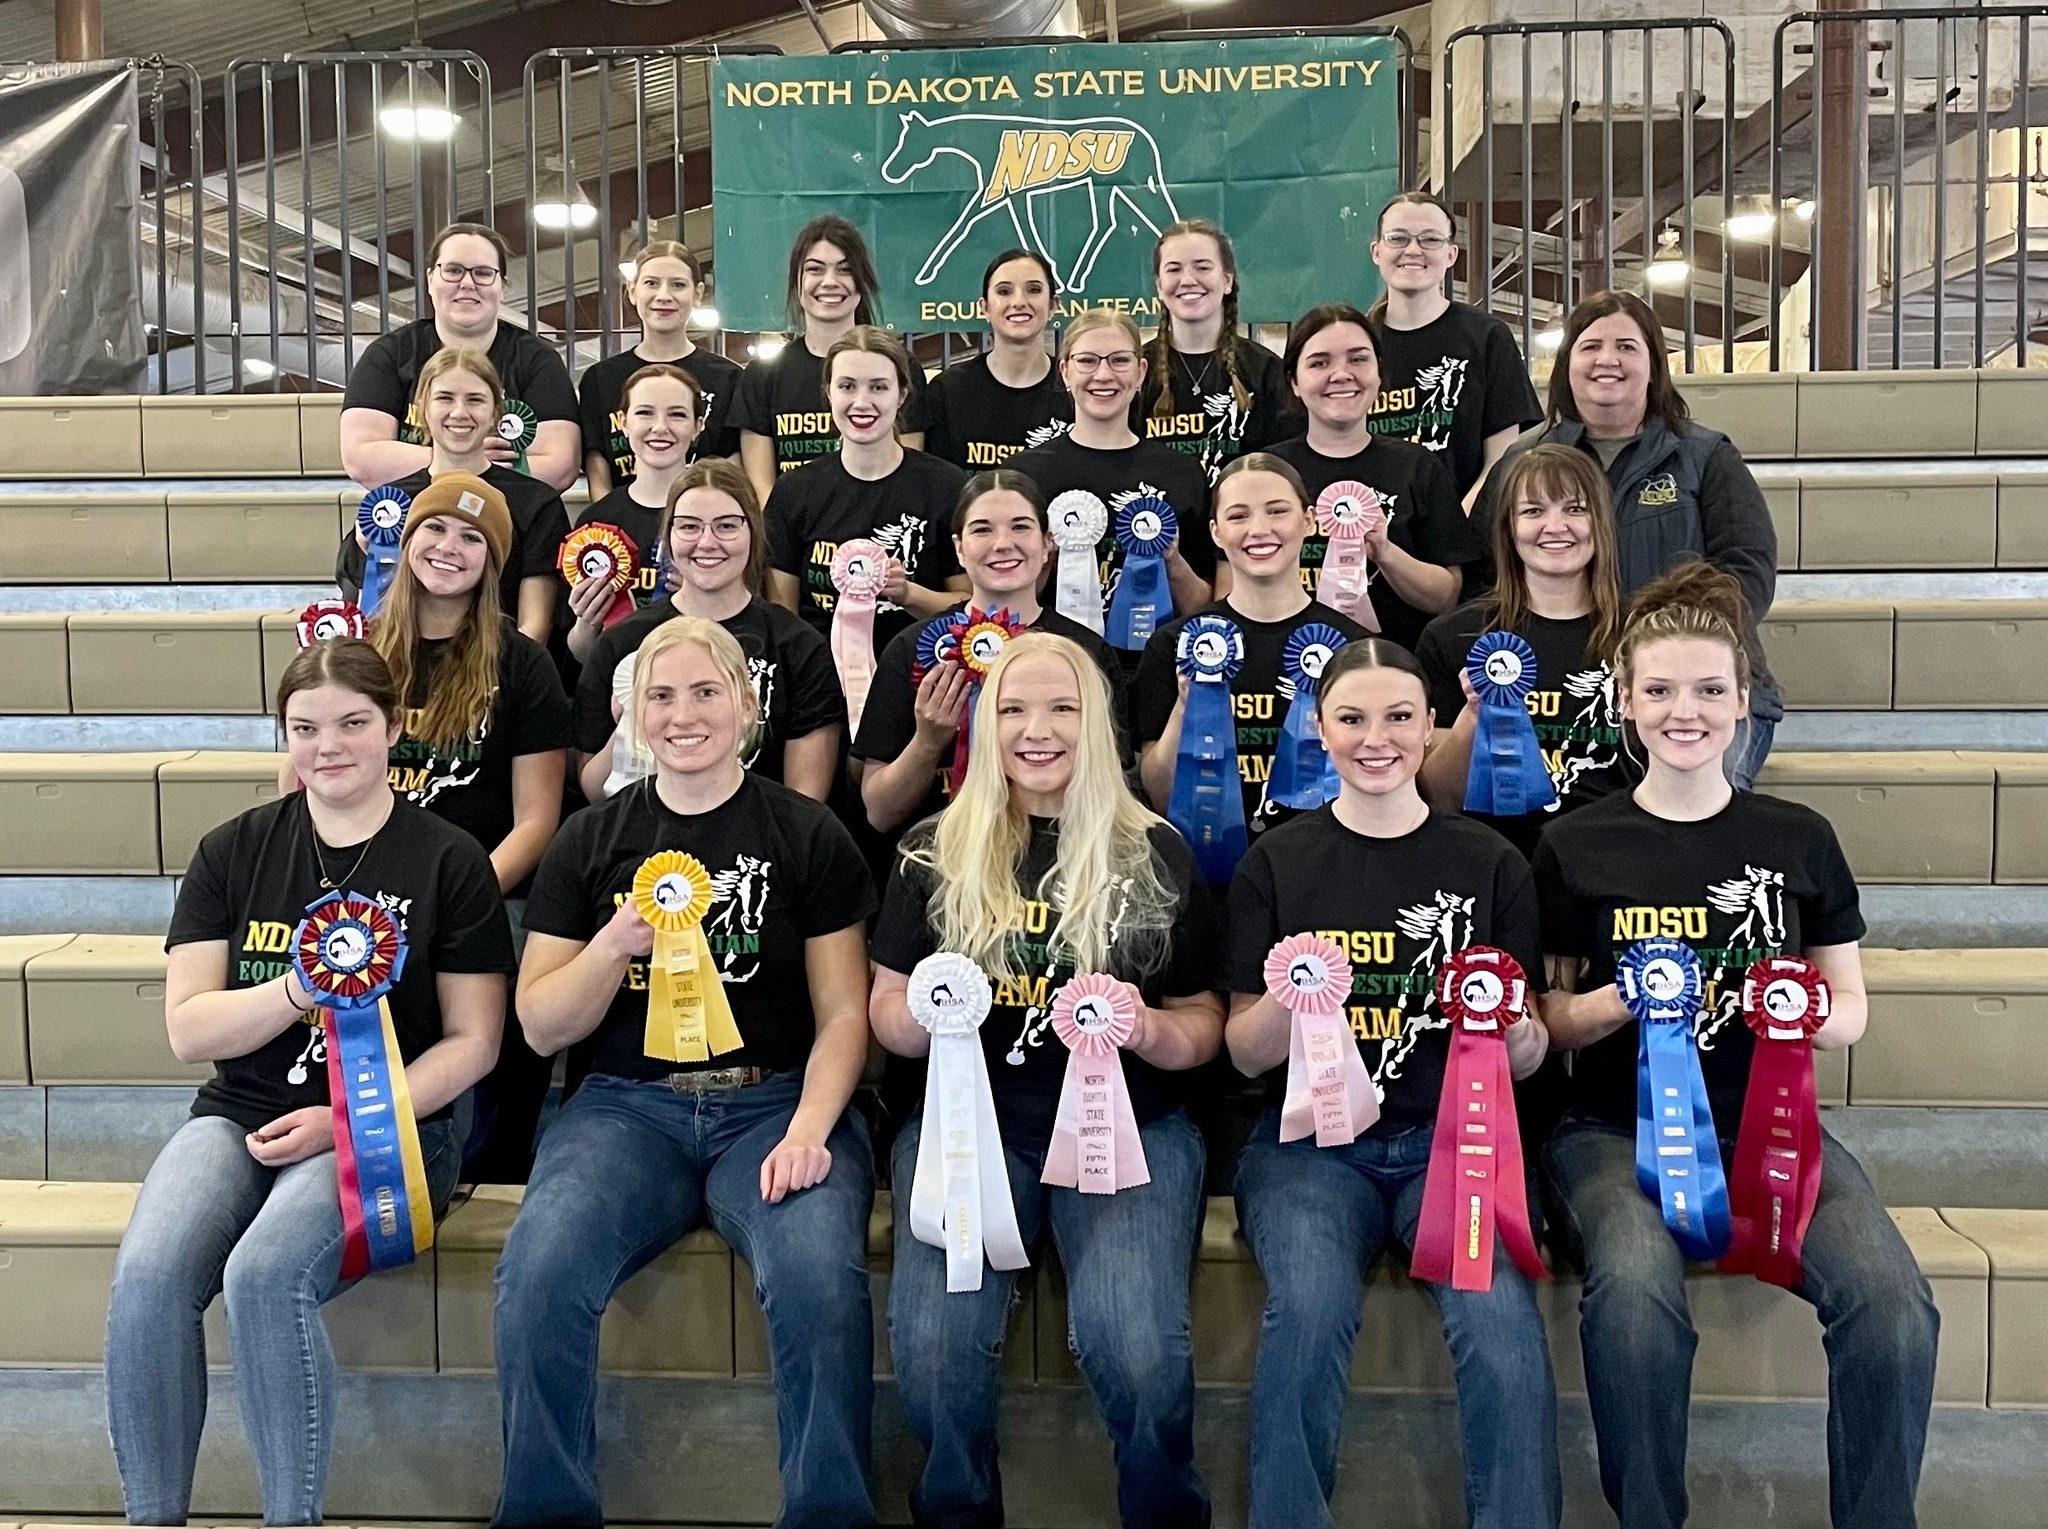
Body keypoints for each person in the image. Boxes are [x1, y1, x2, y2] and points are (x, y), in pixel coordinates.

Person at [1534, 561, 1937, 1529]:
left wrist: (1791, 1009)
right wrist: (1621, 1001)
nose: (1687, 710)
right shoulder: (1571, 843)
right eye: (1661, 689)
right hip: (1605, 1131)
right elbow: (1544, 1021)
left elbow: (1848, 1007)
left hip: (1774, 1130)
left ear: (1743, 698)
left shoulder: (1797, 835)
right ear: (1624, 701)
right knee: (1631, 1299)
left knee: (1892, 1305)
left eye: (1709, 688)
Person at [105, 638, 512, 1525]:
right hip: (239, 1113)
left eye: (353, 723)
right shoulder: (231, 850)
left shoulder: (449, 860)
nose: (329, 744)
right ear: (284, 736)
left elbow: (475, 1044)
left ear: (394, 728)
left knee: (262, 1274)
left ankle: (294, 1519)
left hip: (392, 1123)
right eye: (306, 727)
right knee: (146, 1272)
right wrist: (296, 988)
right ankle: (151, 1517)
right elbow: (188, 1028)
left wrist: (346, 1119)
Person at [493, 616, 880, 1529]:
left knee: (822, 1279)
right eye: (660, 696)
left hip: (777, 1101)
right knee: (538, 1273)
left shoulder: (807, 832)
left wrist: (809, 1131)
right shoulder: (588, 842)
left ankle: (830, 1514)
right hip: (626, 1110)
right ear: (629, 714)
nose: (683, 713)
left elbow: (846, 1015)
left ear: (747, 707)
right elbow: (541, 1023)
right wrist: (610, 946)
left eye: (706, 692)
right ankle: (546, 1513)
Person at [870, 631, 1224, 1529]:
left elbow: (1205, 1024)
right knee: (936, 1349)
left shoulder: (1159, 854)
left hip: (1131, 1128)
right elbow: (884, 1016)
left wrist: (1149, 1029)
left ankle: (1161, 1512)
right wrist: (923, 1013)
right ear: (986, 725)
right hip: (966, 1133)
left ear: (1097, 723)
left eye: (1062, 708)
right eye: (1015, 709)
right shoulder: (928, 851)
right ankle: (957, 1512)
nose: (1038, 730)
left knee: (1138, 1347)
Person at [1222, 636, 1559, 1529]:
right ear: (1319, 729)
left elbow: (1526, 1055)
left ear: (1430, 726)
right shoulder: (1275, 862)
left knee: (1502, 1325)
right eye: (1353, 718)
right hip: (1306, 1153)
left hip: (1455, 1146)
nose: (1378, 738)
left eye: (1400, 716)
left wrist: (1520, 1031)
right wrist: (1295, 993)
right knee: (1309, 1307)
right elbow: (1243, 1052)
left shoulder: (1492, 864)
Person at [1473, 289, 1781, 788]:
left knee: (1690, 799)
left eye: (1627, 347)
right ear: (1566, 364)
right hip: (1560, 688)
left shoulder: (1705, 458)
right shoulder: (1523, 460)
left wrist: (1669, 651)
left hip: (1688, 688)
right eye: (1590, 346)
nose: (1607, 360)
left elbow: (1747, 574)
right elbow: (1485, 569)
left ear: (1654, 365)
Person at [354, 472, 570, 1182]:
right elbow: (304, 791)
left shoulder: (523, 663)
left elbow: (538, 819)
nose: (450, 547)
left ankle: (496, 1163)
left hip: (487, 890)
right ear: (406, 539)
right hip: (365, 894)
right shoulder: (358, 656)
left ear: (493, 562)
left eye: (472, 538)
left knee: (499, 960)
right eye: (436, 529)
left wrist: (460, 894)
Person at [854, 469, 1124, 839]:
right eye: (982, 529)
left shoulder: (1086, 652)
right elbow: (879, 812)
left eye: (1020, 527)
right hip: (940, 863)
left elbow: (1114, 789)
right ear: (959, 548)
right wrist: (928, 743)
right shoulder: (913, 648)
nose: (1002, 543)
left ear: (1047, 543)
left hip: (1064, 861)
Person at [1132, 453, 1373, 859]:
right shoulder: (1175, 645)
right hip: (1206, 869)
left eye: (1277, 511)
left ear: (1308, 520)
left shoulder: (1354, 648)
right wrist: (1185, 706)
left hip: (1327, 863)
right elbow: (1158, 794)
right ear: (1215, 532)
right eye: (1238, 516)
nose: (1259, 530)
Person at [574, 459, 843, 804]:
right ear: (668, 536)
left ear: (753, 532)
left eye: (727, 526)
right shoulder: (622, 643)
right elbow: (595, 793)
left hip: (759, 846)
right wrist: (631, 722)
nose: (707, 542)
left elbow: (805, 804)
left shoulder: (799, 647)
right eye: (689, 527)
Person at [1417, 442, 1639, 859]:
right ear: (1508, 527)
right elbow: (1436, 798)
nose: (1555, 526)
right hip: (1491, 862)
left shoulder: (1645, 637)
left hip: (1615, 860)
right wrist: (1473, 716)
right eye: (1533, 511)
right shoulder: (1454, 638)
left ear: (1602, 523)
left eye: (1575, 509)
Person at [1008, 307, 1213, 662]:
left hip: (1152, 667)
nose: (1103, 374)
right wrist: (1045, 559)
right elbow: (1007, 601)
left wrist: (1172, 559)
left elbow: (1202, 604)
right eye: (1087, 361)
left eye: (1119, 360)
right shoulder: (1024, 475)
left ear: (1140, 372)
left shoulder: (1181, 474)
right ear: (1065, 371)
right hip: (1051, 665)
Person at [1266, 304, 1477, 648]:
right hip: (1288, 664)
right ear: (1294, 382)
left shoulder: (1417, 467)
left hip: (1394, 664)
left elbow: (1447, 597)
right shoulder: (1268, 472)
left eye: (1358, 359)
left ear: (1379, 372)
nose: (1341, 374)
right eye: (1320, 363)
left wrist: (1386, 552)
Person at [338, 348, 570, 646]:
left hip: (498, 673)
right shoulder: (389, 505)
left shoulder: (537, 503)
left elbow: (534, 627)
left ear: (495, 414)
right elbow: (366, 620)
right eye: (445, 398)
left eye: (475, 400)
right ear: (423, 409)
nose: (459, 412)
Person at [765, 325, 967, 662]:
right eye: (847, 386)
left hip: (921, 675)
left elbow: (969, 607)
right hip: (821, 684)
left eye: (878, 387)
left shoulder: (947, 487)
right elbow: (781, 616)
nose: (862, 402)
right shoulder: (794, 491)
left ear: (902, 394)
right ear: (828, 393)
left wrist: (909, 594)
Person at [340, 221, 579, 491]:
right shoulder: (389, 355)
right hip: (411, 517)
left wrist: (454, 469)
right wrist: (469, 462)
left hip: (509, 518)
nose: (467, 284)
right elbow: (360, 459)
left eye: (483, 273)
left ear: (502, 286)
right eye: (453, 270)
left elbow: (560, 467)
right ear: (431, 280)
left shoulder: (538, 361)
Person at [731, 214, 927, 502]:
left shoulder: (900, 366)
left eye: (845, 270)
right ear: (797, 281)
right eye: (815, 269)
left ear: (862, 282)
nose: (830, 282)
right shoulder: (762, 376)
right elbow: (763, 493)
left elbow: (908, 474)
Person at [1366, 192, 1543, 507]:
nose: (1413, 250)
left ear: (1451, 254)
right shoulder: (1358, 343)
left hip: (1464, 535)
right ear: (1377, 251)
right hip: (1365, 532)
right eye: (1398, 238)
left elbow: (1502, 457)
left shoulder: (1487, 337)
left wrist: (1456, 527)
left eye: (1430, 239)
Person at [577, 239, 743, 496]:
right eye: (651, 283)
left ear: (697, 294)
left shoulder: (729, 379)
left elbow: (734, 469)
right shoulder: (600, 379)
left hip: (701, 525)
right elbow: (598, 470)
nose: (663, 296)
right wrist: (609, 525)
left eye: (678, 285)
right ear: (632, 291)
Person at [1136, 218, 1292, 481]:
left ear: (1227, 280)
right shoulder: (1135, 371)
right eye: (1174, 269)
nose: (1187, 280)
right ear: (1160, 287)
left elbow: (1283, 468)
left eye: (1202, 267)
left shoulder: (1265, 370)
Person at [568, 362, 703, 653]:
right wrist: (586, 622)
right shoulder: (595, 523)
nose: (660, 427)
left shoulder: (718, 518)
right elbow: (580, 654)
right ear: (623, 421)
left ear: (698, 426)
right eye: (644, 413)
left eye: (677, 415)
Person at [921, 247, 1073, 470]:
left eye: (1033, 289)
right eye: (1004, 291)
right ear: (985, 308)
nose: (1019, 301)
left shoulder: (1077, 391)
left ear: (1053, 305)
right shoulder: (947, 392)